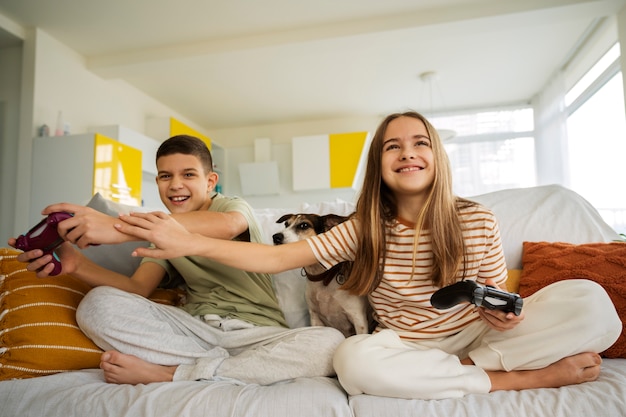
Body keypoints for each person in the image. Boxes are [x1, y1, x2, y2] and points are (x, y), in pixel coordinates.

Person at [112, 112, 621, 400]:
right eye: (392, 146)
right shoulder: (364, 228)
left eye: (419, 142)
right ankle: (524, 377)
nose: (407, 152)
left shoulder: (477, 218)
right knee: (351, 360)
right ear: (380, 163)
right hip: (402, 346)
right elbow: (276, 261)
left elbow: (499, 297)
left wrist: (503, 315)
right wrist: (192, 242)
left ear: (435, 157)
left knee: (593, 301)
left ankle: (472, 366)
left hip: (476, 335)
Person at [9, 134, 344, 385]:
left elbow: (228, 227)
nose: (175, 185)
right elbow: (136, 288)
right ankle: (230, 370)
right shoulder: (159, 231)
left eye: (188, 175)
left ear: (211, 181)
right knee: (98, 304)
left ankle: (174, 373)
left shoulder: (230, 207)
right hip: (193, 331)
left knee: (329, 344)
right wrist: (77, 265)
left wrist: (117, 226)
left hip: (256, 333)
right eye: (165, 176)